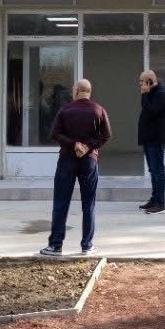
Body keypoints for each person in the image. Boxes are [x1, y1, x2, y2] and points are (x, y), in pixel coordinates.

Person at [40, 78, 110, 257]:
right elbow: (106, 135)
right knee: (89, 204)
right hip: (89, 161)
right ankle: (87, 246)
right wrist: (88, 146)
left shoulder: (65, 110)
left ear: (76, 91)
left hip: (67, 160)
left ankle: (55, 246)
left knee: (61, 203)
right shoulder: (99, 110)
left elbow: (55, 133)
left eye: (73, 90)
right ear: (89, 92)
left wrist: (74, 145)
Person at [137, 69, 165, 215]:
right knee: (153, 170)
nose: (140, 84)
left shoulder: (161, 94)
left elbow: (150, 111)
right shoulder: (152, 93)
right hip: (149, 138)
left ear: (149, 81)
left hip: (156, 139)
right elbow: (145, 108)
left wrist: (145, 94)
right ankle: (154, 199)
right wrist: (145, 94)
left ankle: (161, 203)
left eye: (142, 81)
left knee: (158, 170)